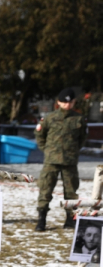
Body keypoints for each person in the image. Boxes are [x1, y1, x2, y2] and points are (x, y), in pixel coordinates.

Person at [35, 88, 87, 231]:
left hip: (69, 161)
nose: (67, 105)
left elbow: (82, 138)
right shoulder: (50, 118)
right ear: (58, 102)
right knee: (45, 190)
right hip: (51, 160)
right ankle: (41, 220)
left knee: (71, 192)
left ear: (74, 102)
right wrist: (46, 149)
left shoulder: (79, 119)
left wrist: (74, 151)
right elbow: (40, 134)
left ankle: (70, 220)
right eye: (64, 102)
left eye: (70, 102)